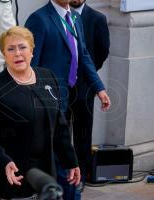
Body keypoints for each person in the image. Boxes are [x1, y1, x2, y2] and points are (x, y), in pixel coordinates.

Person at [0, 26, 80, 200]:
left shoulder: (48, 77)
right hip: (14, 177)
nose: (17, 53)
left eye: (22, 47)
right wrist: (3, 161)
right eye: (10, 49)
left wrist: (70, 161)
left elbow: (59, 125)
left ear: (32, 51)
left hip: (45, 174)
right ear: (4, 54)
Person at [25, 1, 111, 199]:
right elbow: (31, 64)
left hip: (72, 94)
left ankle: (66, 190)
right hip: (48, 99)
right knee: (56, 151)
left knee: (65, 148)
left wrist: (99, 88)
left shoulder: (74, 17)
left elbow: (84, 54)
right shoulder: (39, 19)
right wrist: (35, 101)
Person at [70, 0, 110, 192]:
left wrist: (89, 77)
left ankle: (81, 176)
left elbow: (102, 52)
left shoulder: (97, 18)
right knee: (56, 133)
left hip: (85, 88)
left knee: (82, 134)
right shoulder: (54, 16)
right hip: (60, 87)